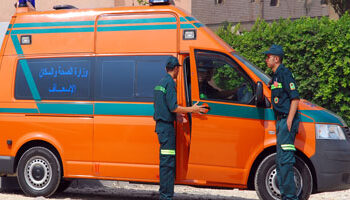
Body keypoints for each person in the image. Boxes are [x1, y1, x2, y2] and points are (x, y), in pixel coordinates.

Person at [153, 56, 207, 200]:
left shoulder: (161, 83)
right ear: (176, 69)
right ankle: (166, 196)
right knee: (168, 164)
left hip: (162, 127)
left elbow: (163, 107)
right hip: (167, 129)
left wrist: (176, 116)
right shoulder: (170, 83)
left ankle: (165, 194)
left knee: (165, 163)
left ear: (166, 69)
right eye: (178, 69)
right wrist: (192, 109)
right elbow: (173, 107)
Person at [264, 44, 300, 200]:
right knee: (280, 162)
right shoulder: (276, 76)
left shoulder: (285, 73)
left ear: (276, 59)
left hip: (286, 121)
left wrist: (289, 121)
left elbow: (295, 98)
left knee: (285, 162)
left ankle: (290, 197)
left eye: (268, 57)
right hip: (280, 121)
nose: (266, 59)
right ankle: (286, 196)